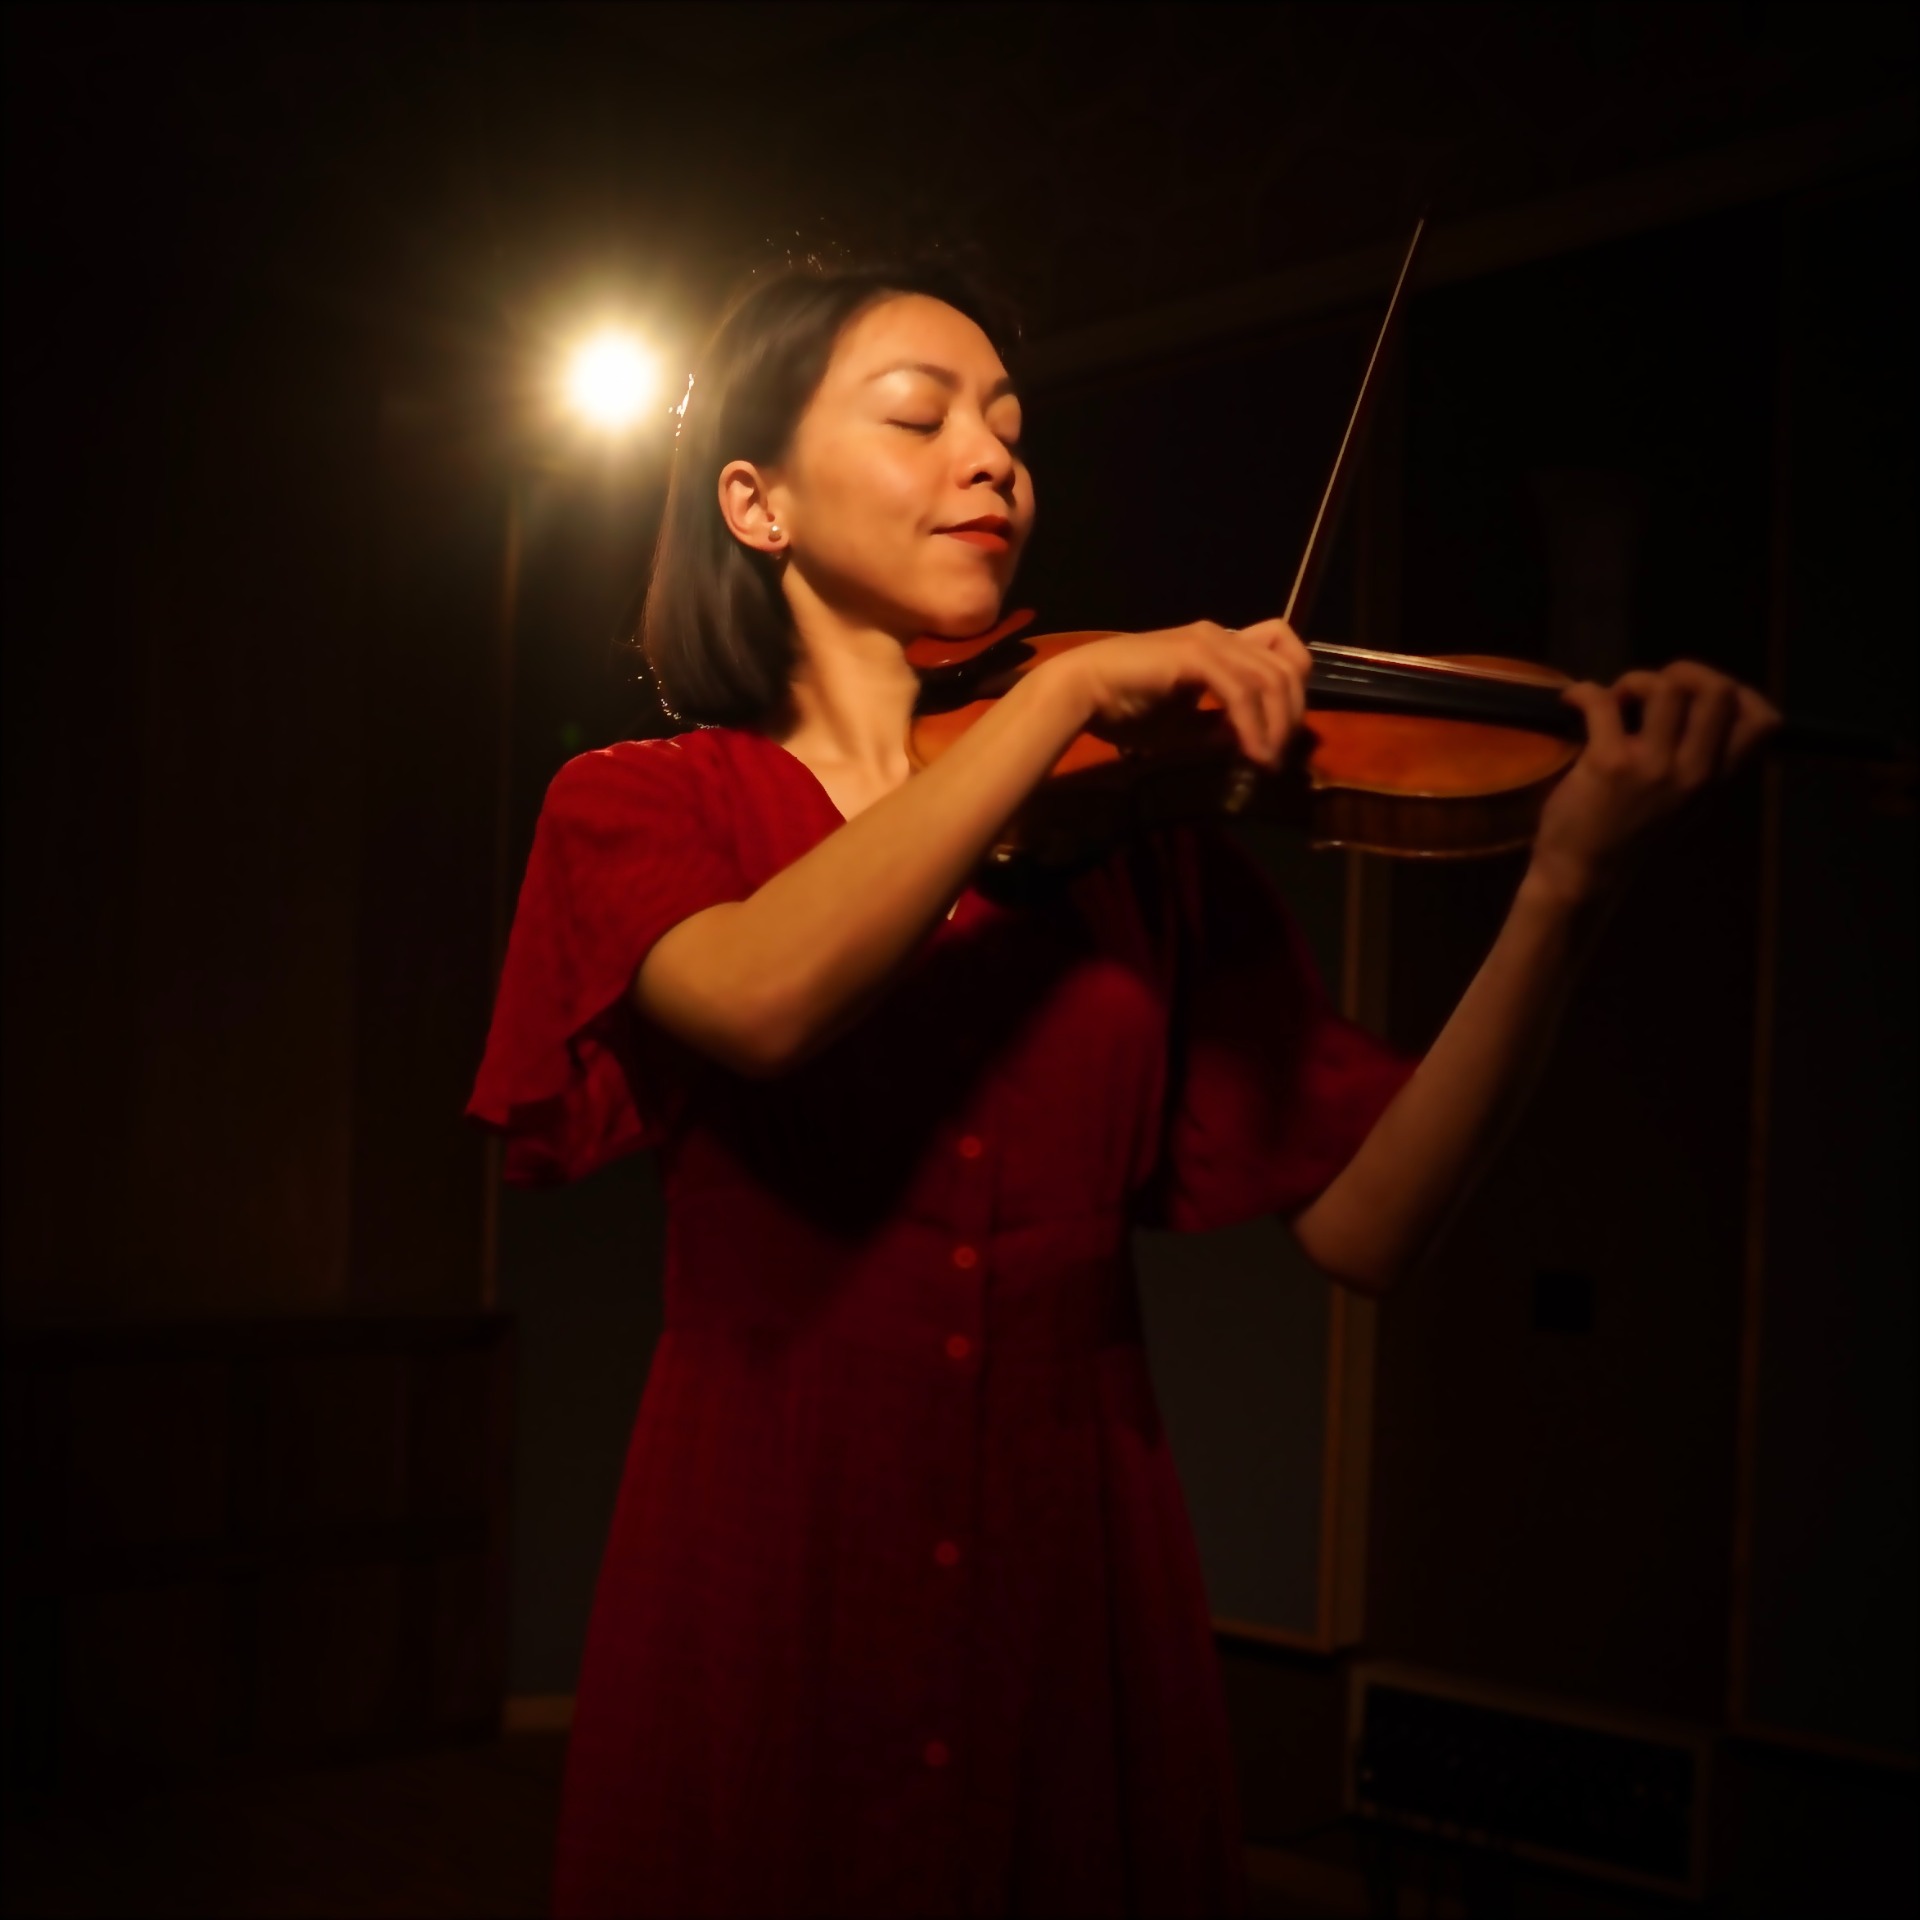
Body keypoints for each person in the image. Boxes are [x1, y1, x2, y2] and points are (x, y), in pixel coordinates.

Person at [466, 261, 1777, 1919]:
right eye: (920, 416)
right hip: (770, 1542)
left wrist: (1567, 891)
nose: (993, 459)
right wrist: (1070, 691)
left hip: (1074, 1555)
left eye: (1010, 428)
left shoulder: (1127, 836)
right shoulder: (645, 803)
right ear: (757, 502)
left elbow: (1370, 1226)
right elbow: (763, 998)